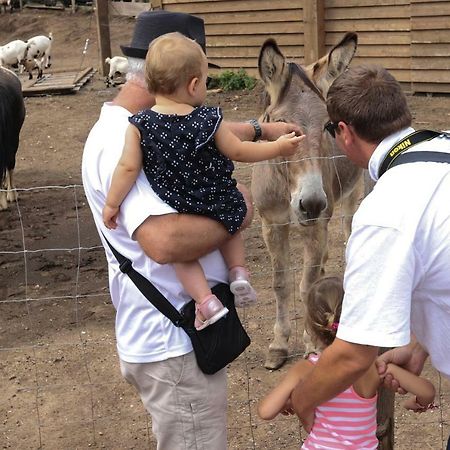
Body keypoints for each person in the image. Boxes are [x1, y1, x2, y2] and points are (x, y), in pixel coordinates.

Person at [82, 10, 302, 450]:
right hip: (175, 343)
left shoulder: (144, 128)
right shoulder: (120, 139)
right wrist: (238, 209)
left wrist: (260, 128)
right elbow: (165, 242)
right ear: (190, 82)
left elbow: (210, 129)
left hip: (172, 334)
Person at [289, 64, 450, 447]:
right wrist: (420, 342)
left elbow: (352, 354)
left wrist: (302, 398)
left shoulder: (385, 213)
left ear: (343, 131)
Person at [102, 32, 303, 331]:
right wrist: (279, 146)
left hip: (177, 205)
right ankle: (239, 272)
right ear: (194, 85)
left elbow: (128, 168)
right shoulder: (209, 120)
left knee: (184, 257)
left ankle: (206, 301)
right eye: (206, 81)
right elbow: (239, 151)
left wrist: (111, 203)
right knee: (231, 220)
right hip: (216, 195)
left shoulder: (139, 125)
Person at [258, 276, 435, 449]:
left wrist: (290, 398)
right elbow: (427, 391)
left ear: (311, 328)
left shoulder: (304, 369)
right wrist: (417, 402)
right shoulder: (372, 367)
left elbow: (266, 411)